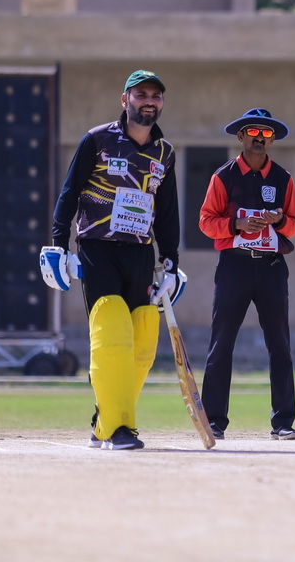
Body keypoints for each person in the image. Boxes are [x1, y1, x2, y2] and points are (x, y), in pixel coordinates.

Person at [44, 69, 181, 450]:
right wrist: (58, 244)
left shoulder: (165, 153)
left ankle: (105, 422)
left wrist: (171, 261)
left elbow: (168, 212)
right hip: (98, 247)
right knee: (112, 332)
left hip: (140, 252)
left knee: (142, 340)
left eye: (155, 95)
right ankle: (120, 429)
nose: (149, 101)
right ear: (125, 100)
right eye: (141, 95)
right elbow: (69, 193)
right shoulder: (98, 139)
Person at [198, 108, 295, 440]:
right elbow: (206, 222)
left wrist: (279, 220)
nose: (259, 139)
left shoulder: (283, 178)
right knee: (221, 344)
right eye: (253, 132)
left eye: (266, 134)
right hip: (234, 265)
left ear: (272, 140)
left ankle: (283, 422)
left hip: (271, 267)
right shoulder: (224, 177)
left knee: (280, 345)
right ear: (241, 136)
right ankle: (214, 421)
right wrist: (237, 224)